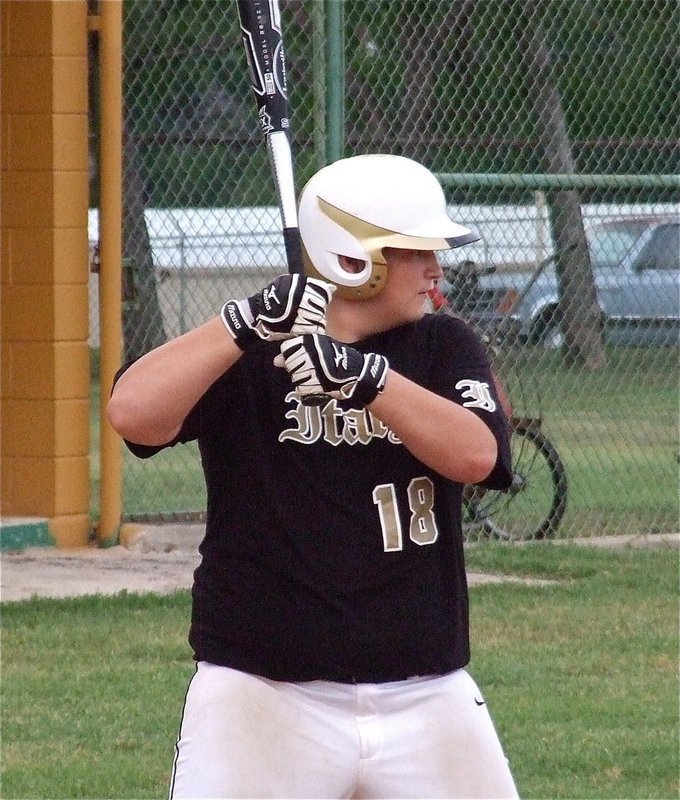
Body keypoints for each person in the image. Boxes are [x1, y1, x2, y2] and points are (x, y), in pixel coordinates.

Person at [108, 154, 519, 799]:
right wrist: (240, 325)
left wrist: (366, 380)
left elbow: (479, 457)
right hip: (260, 688)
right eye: (415, 252)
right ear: (355, 258)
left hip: (425, 688)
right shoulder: (250, 348)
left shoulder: (443, 345)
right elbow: (133, 415)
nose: (436, 269)